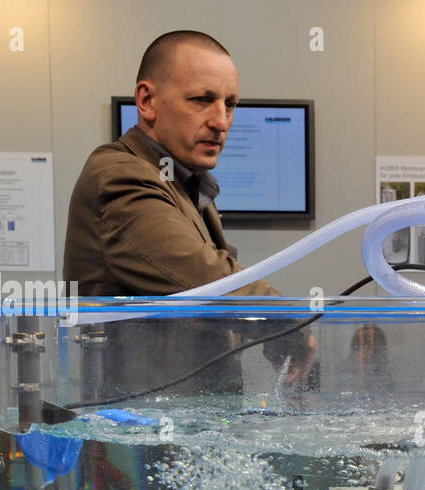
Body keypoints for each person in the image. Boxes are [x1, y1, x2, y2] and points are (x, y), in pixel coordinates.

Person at [63, 30, 313, 399]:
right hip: (135, 433)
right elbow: (204, 277)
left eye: (230, 104)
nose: (221, 120)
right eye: (202, 100)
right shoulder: (121, 175)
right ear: (147, 101)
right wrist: (288, 322)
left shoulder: (181, 181)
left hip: (178, 424)